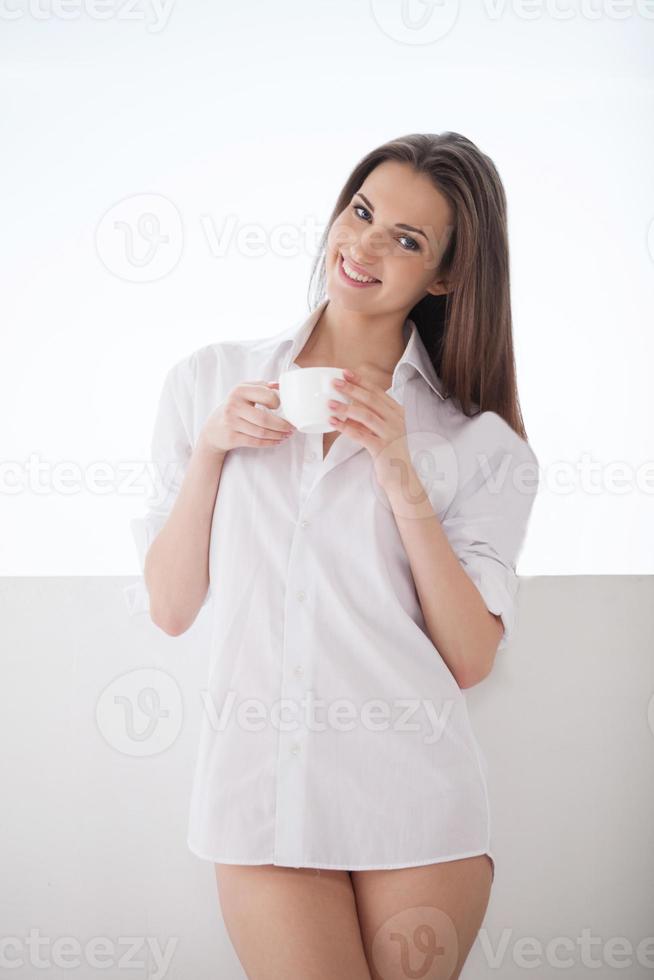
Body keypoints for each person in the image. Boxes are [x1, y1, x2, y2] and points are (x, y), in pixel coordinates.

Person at [124, 131, 540, 980]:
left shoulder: (480, 442)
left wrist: (400, 471)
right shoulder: (208, 382)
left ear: (448, 276)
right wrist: (211, 452)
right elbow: (171, 608)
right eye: (362, 212)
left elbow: (469, 657)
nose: (365, 246)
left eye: (408, 240)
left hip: (417, 801)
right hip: (260, 801)